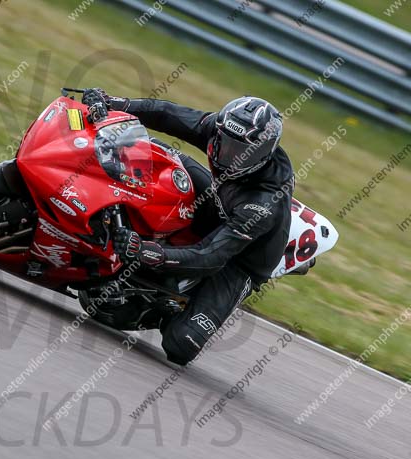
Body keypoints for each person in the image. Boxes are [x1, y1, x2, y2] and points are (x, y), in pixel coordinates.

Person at [82, 89, 294, 365]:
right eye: (224, 143)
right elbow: (168, 114)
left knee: (181, 345)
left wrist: (151, 252)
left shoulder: (264, 203)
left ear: (261, 155)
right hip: (218, 199)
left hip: (239, 260)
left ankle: (164, 307)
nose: (227, 155)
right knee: (145, 150)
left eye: (239, 152)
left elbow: (211, 256)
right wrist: (114, 103)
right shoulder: (224, 132)